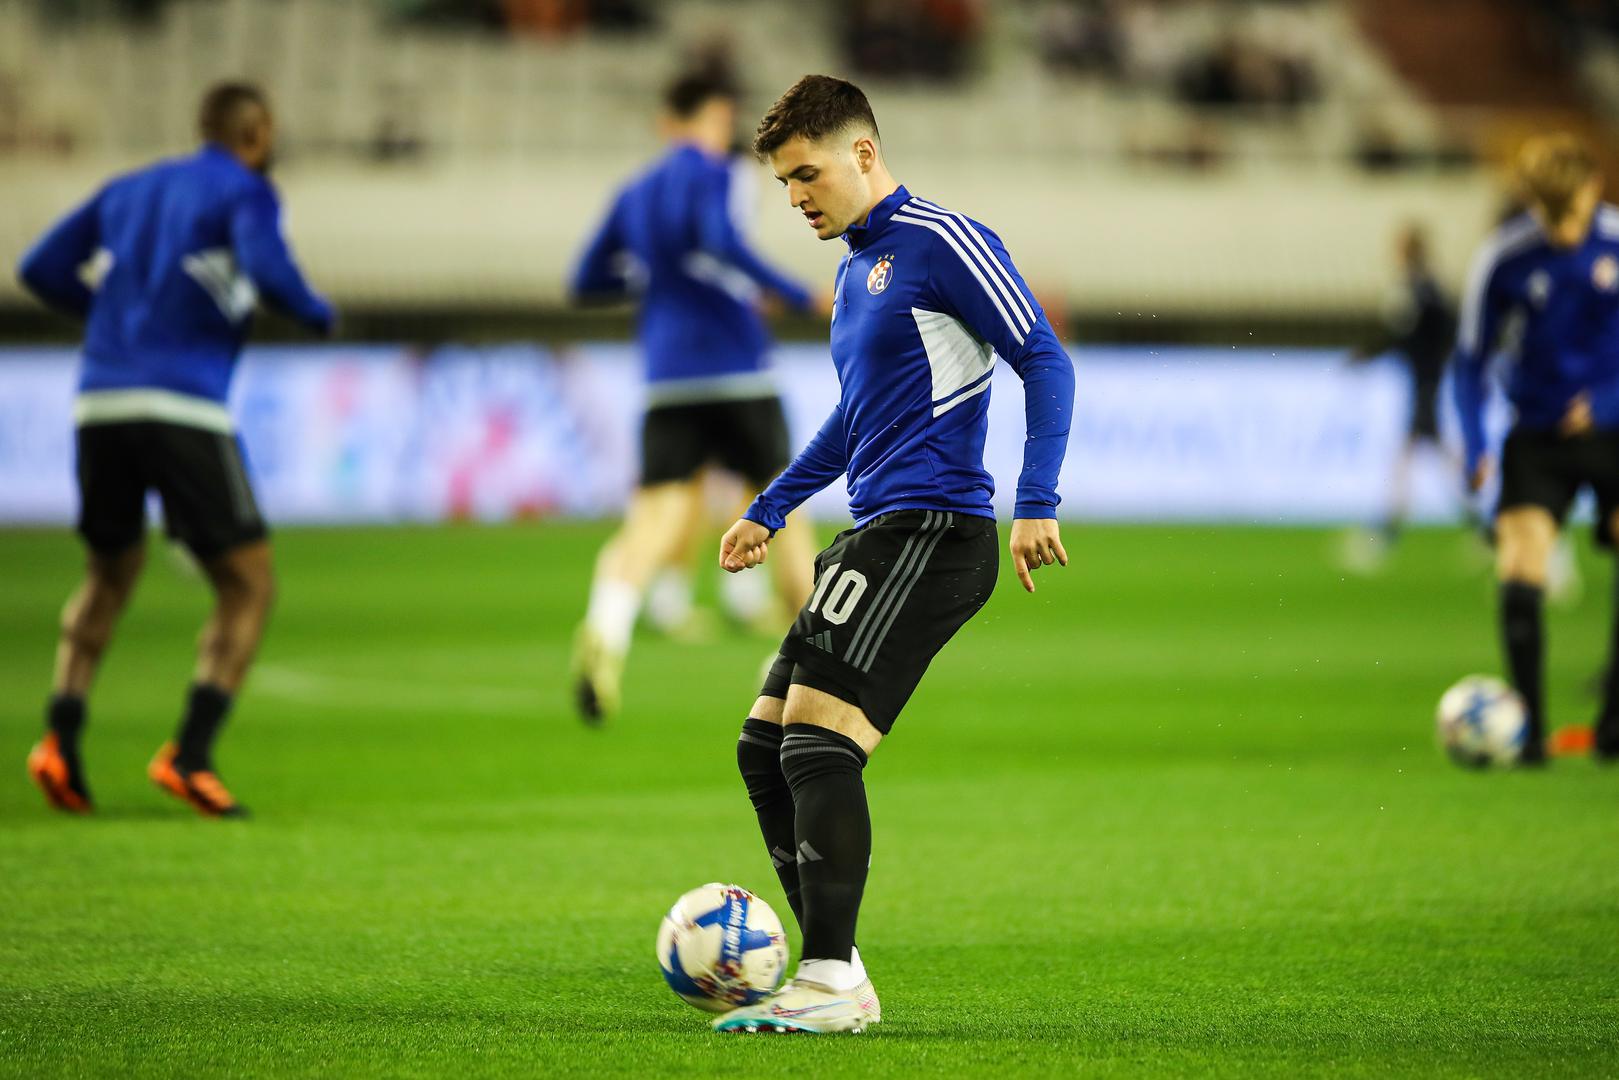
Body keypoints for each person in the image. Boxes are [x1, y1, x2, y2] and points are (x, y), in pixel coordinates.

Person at [711, 75, 1076, 1033]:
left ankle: (827, 979)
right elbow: (854, 420)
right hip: (874, 531)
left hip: (934, 530)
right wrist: (771, 507)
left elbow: (1043, 356)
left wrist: (1034, 501)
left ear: (863, 154)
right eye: (785, 183)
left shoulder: (945, 243)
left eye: (807, 175)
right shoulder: (852, 271)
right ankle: (841, 971)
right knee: (762, 749)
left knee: (816, 744)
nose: (796, 198)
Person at [18, 82, 335, 817]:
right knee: (248, 583)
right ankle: (190, 754)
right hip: (182, 405)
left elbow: (39, 267)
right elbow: (268, 267)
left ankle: (59, 738)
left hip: (100, 401)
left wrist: (113, 321)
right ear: (255, 132)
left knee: (109, 569)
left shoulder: (129, 188)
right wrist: (316, 314)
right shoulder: (247, 192)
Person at [569, 70, 821, 723]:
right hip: (738, 369)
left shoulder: (634, 191)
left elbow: (586, 278)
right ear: (711, 116)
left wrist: (653, 280)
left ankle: (607, 628)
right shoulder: (712, 173)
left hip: (667, 375)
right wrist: (796, 295)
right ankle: (812, 662)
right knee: (783, 512)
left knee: (651, 519)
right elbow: (719, 241)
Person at [1453, 133, 1619, 765]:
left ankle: (1615, 727)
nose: (1565, 232)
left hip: (1614, 430)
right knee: (1521, 565)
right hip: (1537, 434)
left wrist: (1606, 403)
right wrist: (1474, 444)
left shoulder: (1616, 243)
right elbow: (1470, 361)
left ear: (1592, 193)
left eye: (1572, 216)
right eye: (1552, 219)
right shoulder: (1504, 259)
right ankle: (1527, 736)